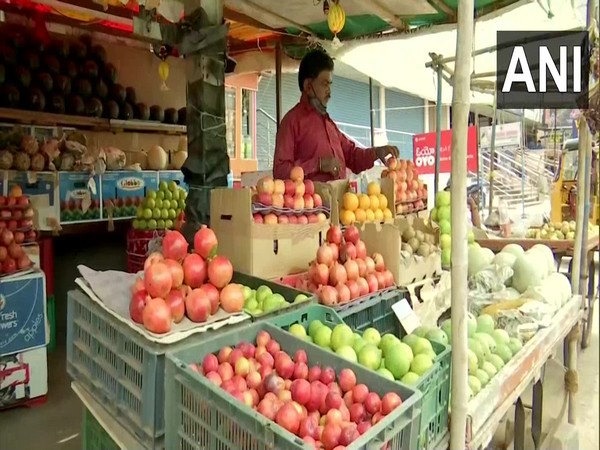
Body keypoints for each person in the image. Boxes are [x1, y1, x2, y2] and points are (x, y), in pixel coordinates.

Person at [272, 49, 399, 181]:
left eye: (330, 85)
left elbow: (353, 156)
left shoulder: (328, 123)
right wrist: (318, 164)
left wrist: (377, 152)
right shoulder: (291, 122)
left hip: (339, 199)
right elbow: (280, 171)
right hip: (309, 201)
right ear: (308, 86)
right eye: (324, 84)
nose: (329, 91)